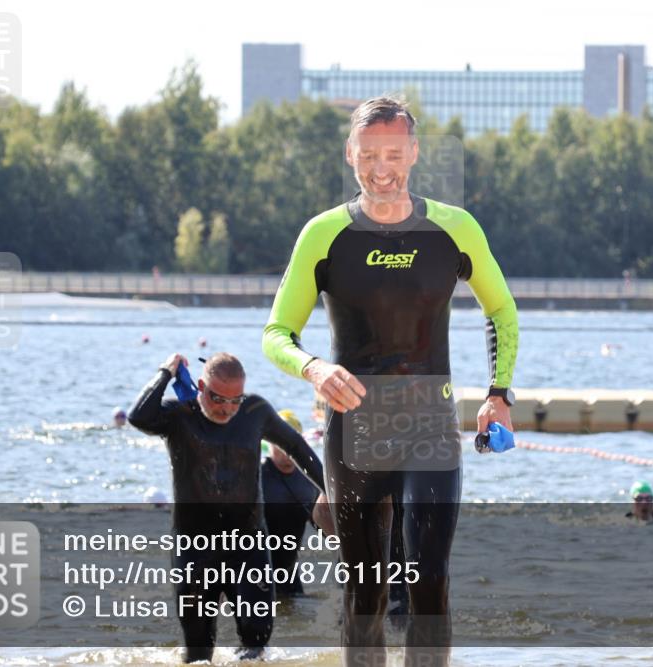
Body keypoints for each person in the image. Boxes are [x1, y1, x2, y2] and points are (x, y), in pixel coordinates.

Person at [263, 96, 518, 667]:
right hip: (355, 433)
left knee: (428, 583)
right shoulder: (324, 234)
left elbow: (501, 310)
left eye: (395, 154)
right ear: (351, 152)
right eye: (370, 153)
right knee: (365, 593)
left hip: (431, 426)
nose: (382, 167)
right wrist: (315, 367)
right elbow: (277, 332)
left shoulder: (454, 229)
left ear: (414, 153)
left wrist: (499, 394)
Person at [127, 352, 326, 663]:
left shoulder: (255, 411)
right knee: (198, 653)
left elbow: (296, 447)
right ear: (202, 386)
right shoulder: (179, 415)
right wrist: (166, 372)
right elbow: (138, 416)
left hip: (249, 548)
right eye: (219, 398)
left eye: (236, 400)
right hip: (195, 549)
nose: (228, 409)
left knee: (255, 645)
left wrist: (330, 489)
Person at [261, 409, 327, 598]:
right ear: (270, 443)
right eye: (280, 444)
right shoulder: (257, 477)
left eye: (290, 443)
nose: (286, 451)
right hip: (254, 572)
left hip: (289, 574)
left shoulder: (309, 481)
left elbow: (323, 526)